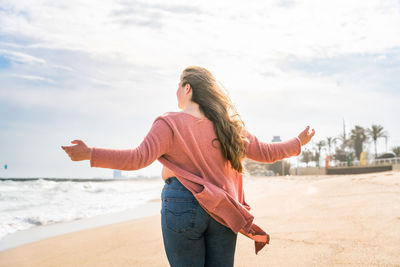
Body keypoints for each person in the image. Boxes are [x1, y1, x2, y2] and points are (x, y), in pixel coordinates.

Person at [61, 66, 315, 267]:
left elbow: (138, 158)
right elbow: (266, 152)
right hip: (223, 207)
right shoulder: (229, 126)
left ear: (188, 88)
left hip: (182, 202)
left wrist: (90, 154)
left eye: (178, 86)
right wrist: (297, 142)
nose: (176, 93)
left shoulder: (169, 123)